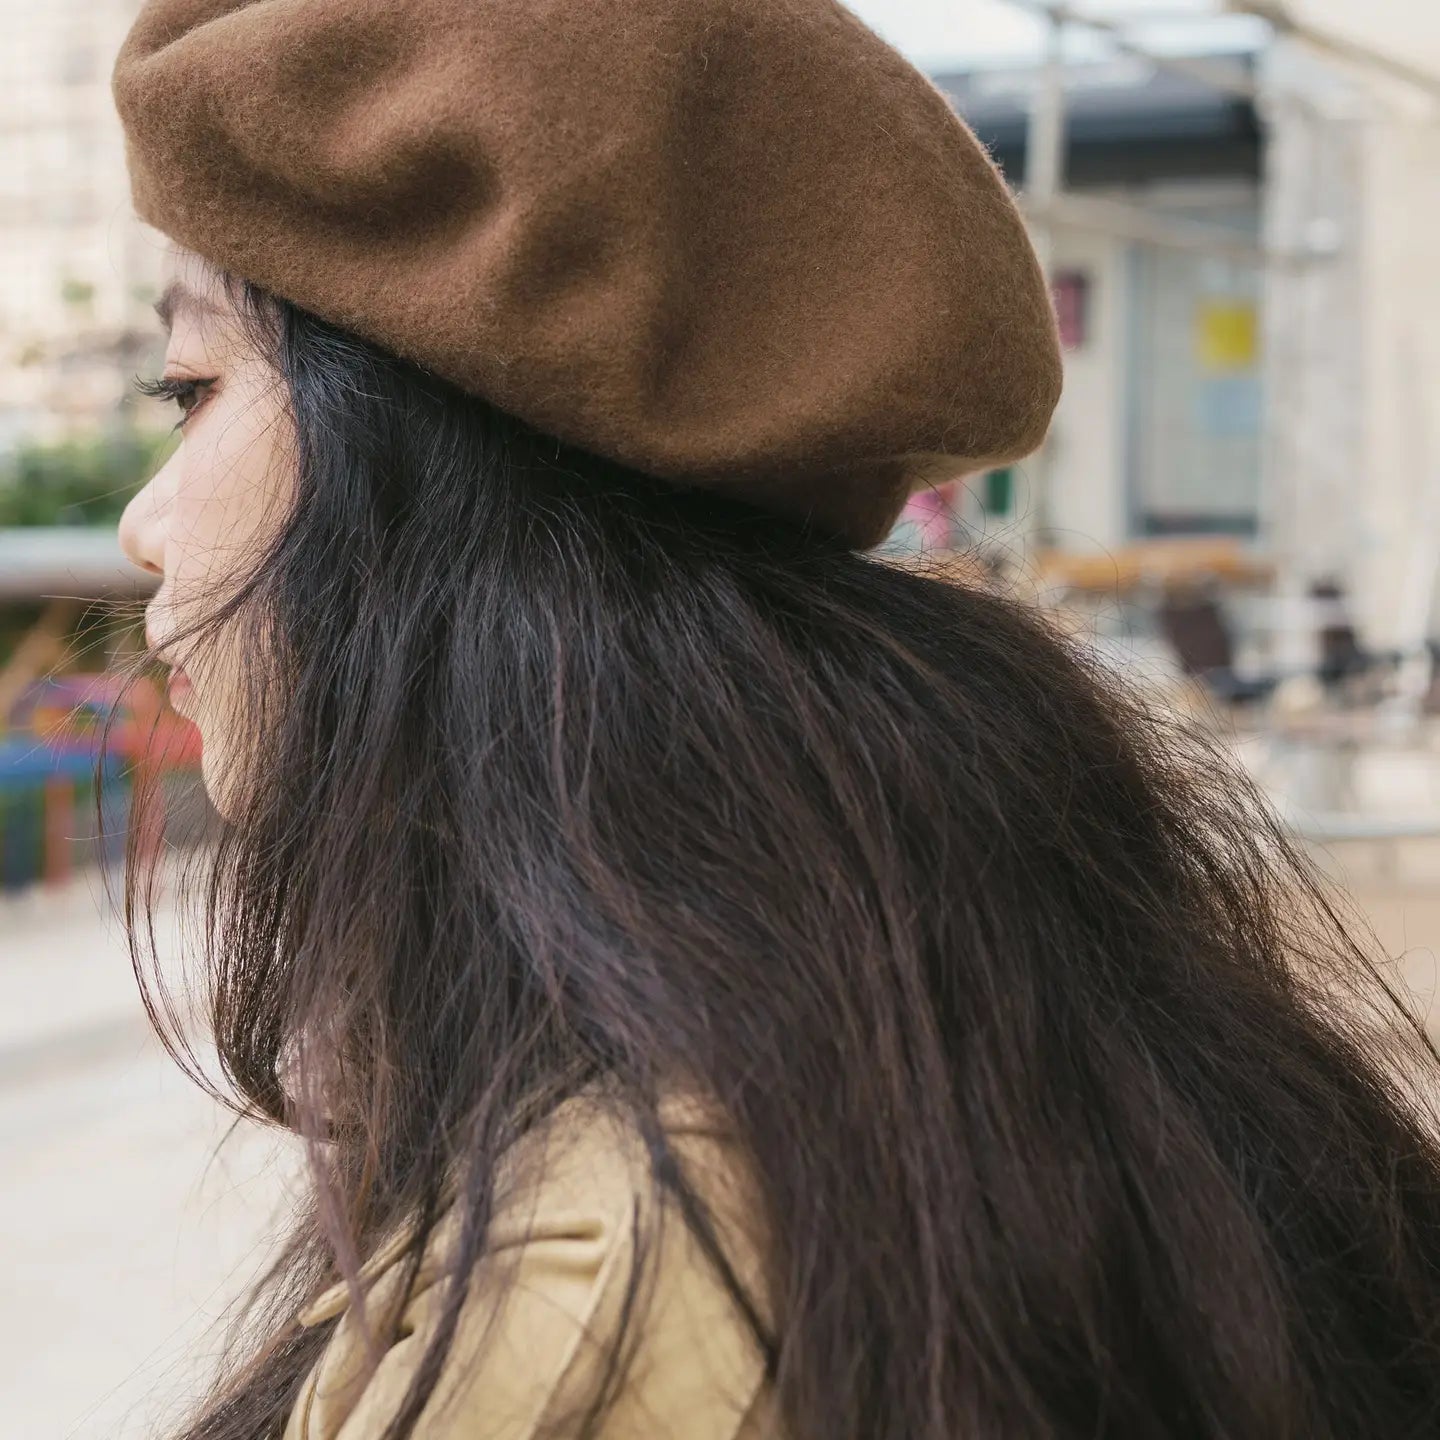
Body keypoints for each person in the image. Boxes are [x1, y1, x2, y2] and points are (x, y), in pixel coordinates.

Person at [110, 3, 1440, 1439]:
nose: (142, 524)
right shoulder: (973, 993)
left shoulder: (592, 1317)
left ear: (440, 485)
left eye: (191, 388)